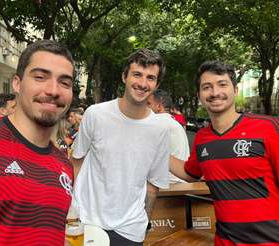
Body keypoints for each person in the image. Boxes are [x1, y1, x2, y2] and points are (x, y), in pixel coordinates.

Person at [0, 40, 75, 245]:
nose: (53, 90)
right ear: (17, 84)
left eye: (65, 82)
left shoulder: (65, 167)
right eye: (40, 77)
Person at [170, 61, 279, 245]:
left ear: (235, 90)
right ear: (199, 95)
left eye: (222, 84)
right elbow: (190, 173)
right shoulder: (202, 138)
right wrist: (153, 151)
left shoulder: (267, 128)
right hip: (225, 241)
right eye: (207, 87)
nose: (214, 93)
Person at [71, 49, 171, 245]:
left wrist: (145, 222)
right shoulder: (95, 114)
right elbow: (76, 161)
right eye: (137, 74)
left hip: (130, 229)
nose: (142, 83)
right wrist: (71, 211)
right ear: (124, 76)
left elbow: (153, 186)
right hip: (87, 220)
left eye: (150, 78)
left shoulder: (161, 129)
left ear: (156, 84)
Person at [147, 89, 190, 183]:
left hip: (166, 183)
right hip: (181, 180)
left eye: (148, 104)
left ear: (159, 106)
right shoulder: (175, 123)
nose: (145, 107)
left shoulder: (156, 121)